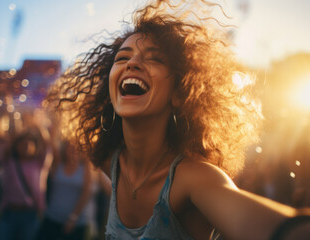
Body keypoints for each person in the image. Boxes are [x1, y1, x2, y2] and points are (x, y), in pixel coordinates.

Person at [46, 0, 310, 239]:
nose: (132, 63)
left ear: (180, 95)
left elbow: (272, 227)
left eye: (154, 59)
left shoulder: (194, 178)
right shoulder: (109, 160)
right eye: (123, 57)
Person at [37, 140, 92, 240]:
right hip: (52, 218)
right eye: (70, 147)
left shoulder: (85, 168)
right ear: (64, 149)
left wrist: (73, 217)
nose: (73, 150)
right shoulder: (57, 164)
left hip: (76, 223)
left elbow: (86, 193)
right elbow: (50, 142)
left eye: (76, 148)